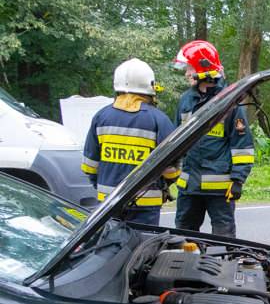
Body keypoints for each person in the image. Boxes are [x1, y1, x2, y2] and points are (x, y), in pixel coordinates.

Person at [171, 40, 254, 238]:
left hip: (219, 191)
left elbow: (242, 146)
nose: (186, 73)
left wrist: (238, 180)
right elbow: (174, 143)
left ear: (202, 70)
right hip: (189, 188)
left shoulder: (229, 103)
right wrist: (168, 176)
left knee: (224, 238)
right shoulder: (185, 101)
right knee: (183, 237)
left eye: (189, 68)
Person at [81, 58, 178, 225]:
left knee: (110, 240)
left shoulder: (101, 117)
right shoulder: (159, 119)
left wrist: (103, 185)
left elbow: (89, 166)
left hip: (108, 202)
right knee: (143, 241)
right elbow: (172, 169)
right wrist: (164, 184)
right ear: (149, 88)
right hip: (145, 205)